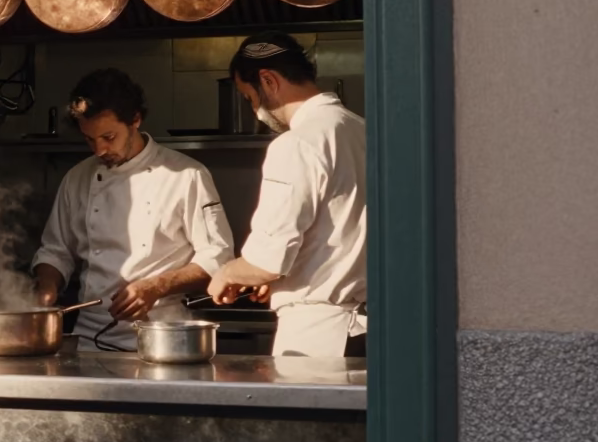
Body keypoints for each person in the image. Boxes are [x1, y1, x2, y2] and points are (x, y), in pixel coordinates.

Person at [31, 68, 235, 351]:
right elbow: (56, 250)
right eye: (89, 139)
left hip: (161, 336)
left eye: (109, 137)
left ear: (136, 120)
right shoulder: (77, 178)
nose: (99, 150)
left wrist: (156, 286)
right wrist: (46, 287)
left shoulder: (186, 174)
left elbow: (218, 257)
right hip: (88, 338)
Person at [208, 31, 368, 357]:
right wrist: (280, 275)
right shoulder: (362, 129)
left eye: (249, 97)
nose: (255, 110)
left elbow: (268, 259)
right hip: (368, 330)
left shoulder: (296, 144)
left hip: (319, 339)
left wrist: (228, 272)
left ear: (268, 81)